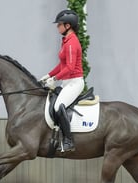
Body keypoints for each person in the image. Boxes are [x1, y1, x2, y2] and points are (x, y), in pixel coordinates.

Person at [40, 10, 84, 152]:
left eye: (59, 24)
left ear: (68, 25)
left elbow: (70, 68)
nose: (57, 27)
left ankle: (68, 141)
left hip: (74, 82)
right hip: (67, 82)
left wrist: (55, 79)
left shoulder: (72, 43)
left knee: (59, 106)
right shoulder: (65, 41)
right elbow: (62, 65)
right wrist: (48, 75)